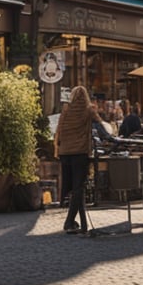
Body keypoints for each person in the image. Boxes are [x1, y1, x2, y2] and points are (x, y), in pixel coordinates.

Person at [56, 87, 95, 234]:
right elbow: (100, 124)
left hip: (65, 153)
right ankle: (69, 221)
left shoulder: (66, 109)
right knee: (78, 187)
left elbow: (59, 129)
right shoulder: (88, 109)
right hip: (79, 152)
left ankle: (75, 221)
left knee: (71, 186)